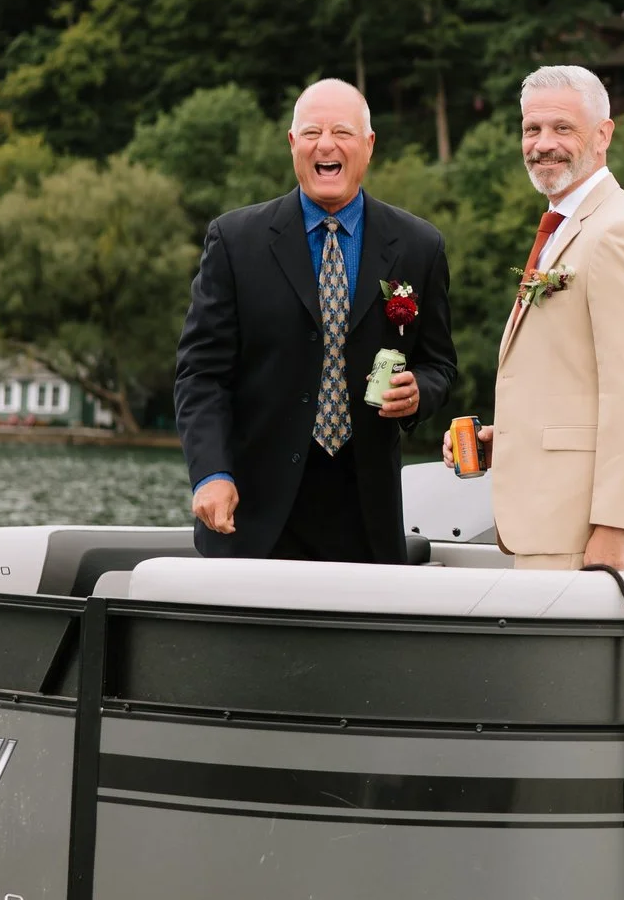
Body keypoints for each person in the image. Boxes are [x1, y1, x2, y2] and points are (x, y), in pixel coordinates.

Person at [175, 78, 458, 563]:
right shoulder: (234, 240)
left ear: (368, 146)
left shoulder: (418, 246)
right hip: (253, 515)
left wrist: (419, 394)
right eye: (311, 133)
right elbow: (201, 375)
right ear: (292, 145)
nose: (325, 145)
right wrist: (211, 474)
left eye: (342, 132)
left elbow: (440, 365)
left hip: (367, 517)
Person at [455, 65, 624, 571]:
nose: (542, 143)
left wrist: (615, 530)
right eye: (532, 129)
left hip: (584, 529)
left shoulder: (619, 232)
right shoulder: (565, 225)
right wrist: (506, 437)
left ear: (603, 135)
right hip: (547, 513)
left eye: (561, 128)